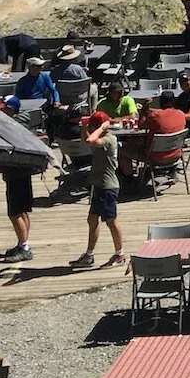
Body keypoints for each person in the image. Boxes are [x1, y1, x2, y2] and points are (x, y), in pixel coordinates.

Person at [71, 114, 126, 268]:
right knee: (92, 220)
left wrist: (102, 126)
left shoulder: (109, 139)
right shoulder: (100, 136)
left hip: (108, 186)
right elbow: (86, 139)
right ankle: (89, 255)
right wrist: (83, 126)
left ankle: (119, 254)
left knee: (111, 221)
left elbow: (91, 140)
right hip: (98, 185)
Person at [0, 163, 37, 263]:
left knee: (14, 213)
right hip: (24, 171)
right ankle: (23, 244)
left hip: (14, 175)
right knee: (22, 211)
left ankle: (24, 248)